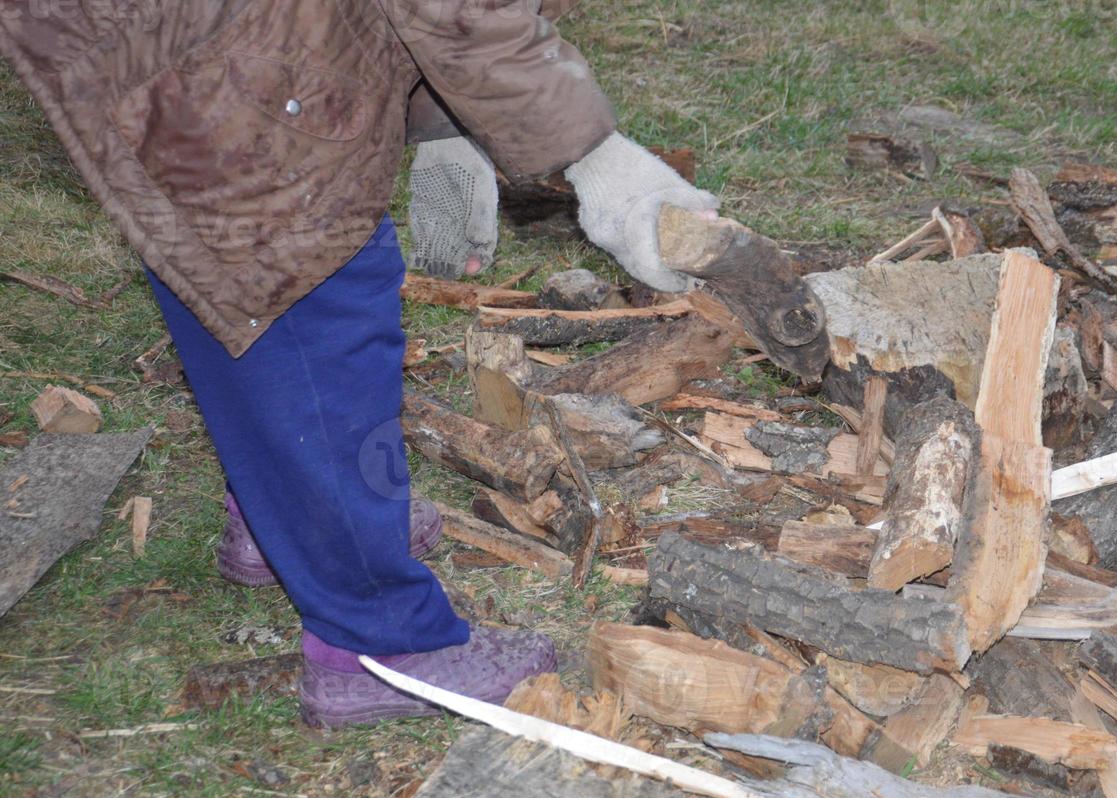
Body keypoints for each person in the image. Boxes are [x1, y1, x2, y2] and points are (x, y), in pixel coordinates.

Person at [0, 0, 718, 726]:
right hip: (222, 40)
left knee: (223, 238)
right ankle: (379, 647)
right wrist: (599, 161)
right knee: (309, 274)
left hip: (210, 35)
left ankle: (286, 516)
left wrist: (442, 120)